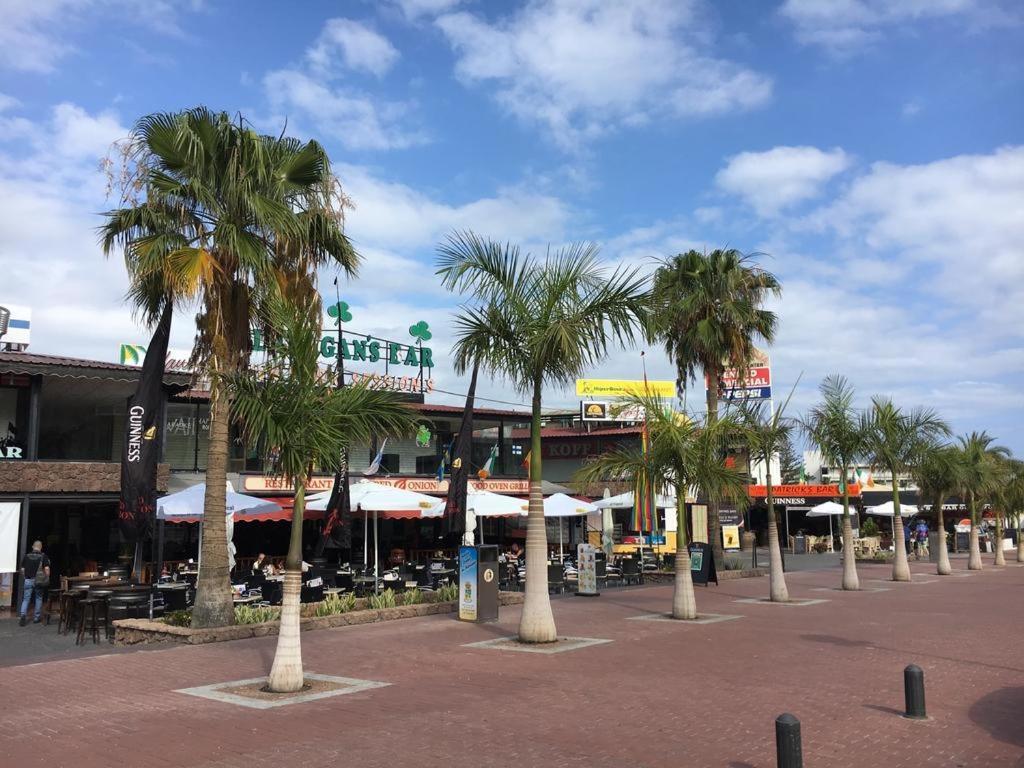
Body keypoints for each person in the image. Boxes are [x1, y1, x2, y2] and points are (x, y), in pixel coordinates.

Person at [19, 540, 50, 627]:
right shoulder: (43, 556)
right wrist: (46, 577)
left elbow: (22, 569)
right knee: (38, 598)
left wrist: (25, 577)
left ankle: (23, 615)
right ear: (41, 547)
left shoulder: (27, 556)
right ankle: (36, 618)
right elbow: (47, 569)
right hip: (39, 581)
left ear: (33, 547)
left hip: (28, 580)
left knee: (26, 599)